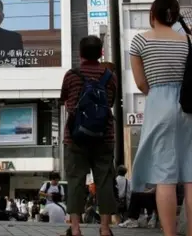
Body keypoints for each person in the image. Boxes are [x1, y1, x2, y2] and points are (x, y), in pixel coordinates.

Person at [129, 0, 192, 236]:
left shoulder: (140, 41)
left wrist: (157, 93)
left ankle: (169, 234)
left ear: (152, 13)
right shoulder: (187, 40)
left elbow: (140, 83)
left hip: (160, 105)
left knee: (164, 176)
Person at [60, 35, 118, 236]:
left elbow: (64, 100)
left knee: (76, 180)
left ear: (80, 54)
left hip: (75, 137)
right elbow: (109, 103)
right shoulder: (110, 76)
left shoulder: (72, 75)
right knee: (104, 181)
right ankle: (104, 228)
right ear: (101, 53)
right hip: (104, 136)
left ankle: (75, 229)